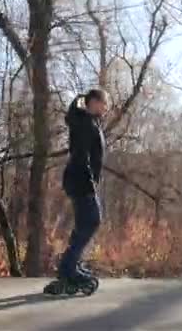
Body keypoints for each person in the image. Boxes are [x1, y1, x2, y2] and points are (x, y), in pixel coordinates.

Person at [44, 89, 107, 295]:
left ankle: (70, 264)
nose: (105, 108)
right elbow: (82, 156)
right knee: (93, 220)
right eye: (103, 103)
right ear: (94, 102)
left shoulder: (85, 121)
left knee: (83, 224)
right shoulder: (85, 124)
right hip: (81, 180)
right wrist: (89, 183)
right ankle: (68, 268)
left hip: (78, 180)